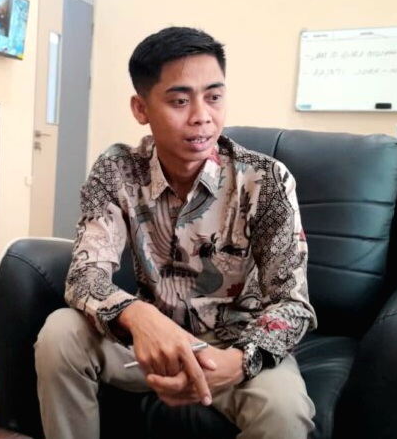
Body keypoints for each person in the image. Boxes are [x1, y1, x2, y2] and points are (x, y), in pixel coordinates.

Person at [35, 26, 317, 439]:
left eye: (214, 97)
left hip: (235, 345)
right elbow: (85, 276)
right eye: (180, 101)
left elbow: (293, 304)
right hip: (149, 343)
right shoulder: (117, 171)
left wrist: (239, 362)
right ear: (141, 108)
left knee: (285, 412)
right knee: (60, 335)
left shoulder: (265, 180)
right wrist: (140, 316)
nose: (202, 116)